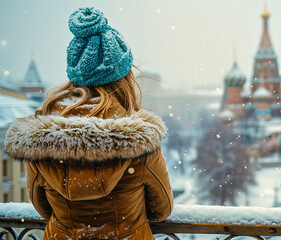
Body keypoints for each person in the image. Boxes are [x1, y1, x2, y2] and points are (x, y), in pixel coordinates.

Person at [5, 7, 173, 240]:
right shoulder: (140, 140)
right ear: (123, 79)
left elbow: (42, 206)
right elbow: (162, 209)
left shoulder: (40, 138)